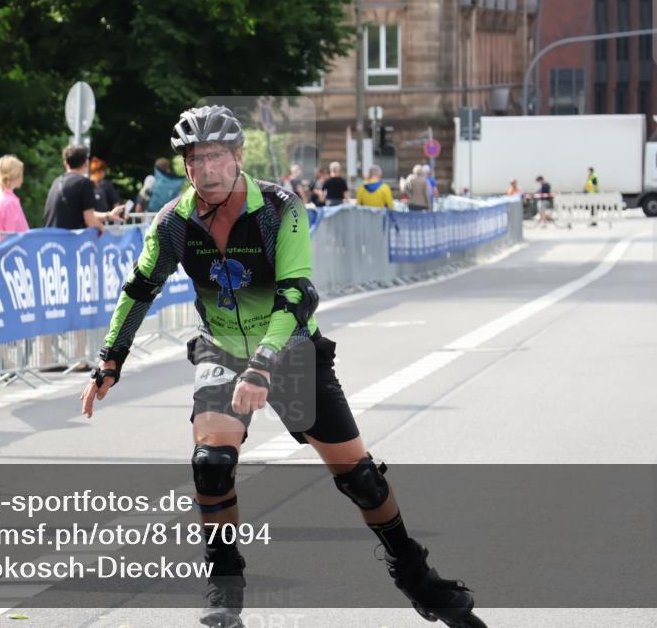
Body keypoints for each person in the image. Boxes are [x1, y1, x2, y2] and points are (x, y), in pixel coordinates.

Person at [80, 105, 485, 628]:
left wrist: (264, 366)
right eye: (195, 159)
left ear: (238, 157)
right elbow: (139, 289)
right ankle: (224, 588)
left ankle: (416, 576)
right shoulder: (173, 223)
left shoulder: (279, 207)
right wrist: (109, 360)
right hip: (222, 348)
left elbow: (298, 294)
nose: (206, 169)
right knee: (210, 465)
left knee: (360, 480)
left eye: (217, 157)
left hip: (290, 348)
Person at [43, 144, 124, 231]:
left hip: (52, 238)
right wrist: (105, 233)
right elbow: (90, 220)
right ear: (86, 162)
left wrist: (108, 216)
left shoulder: (56, 181)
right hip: (69, 239)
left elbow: (85, 213)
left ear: (65, 163)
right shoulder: (84, 183)